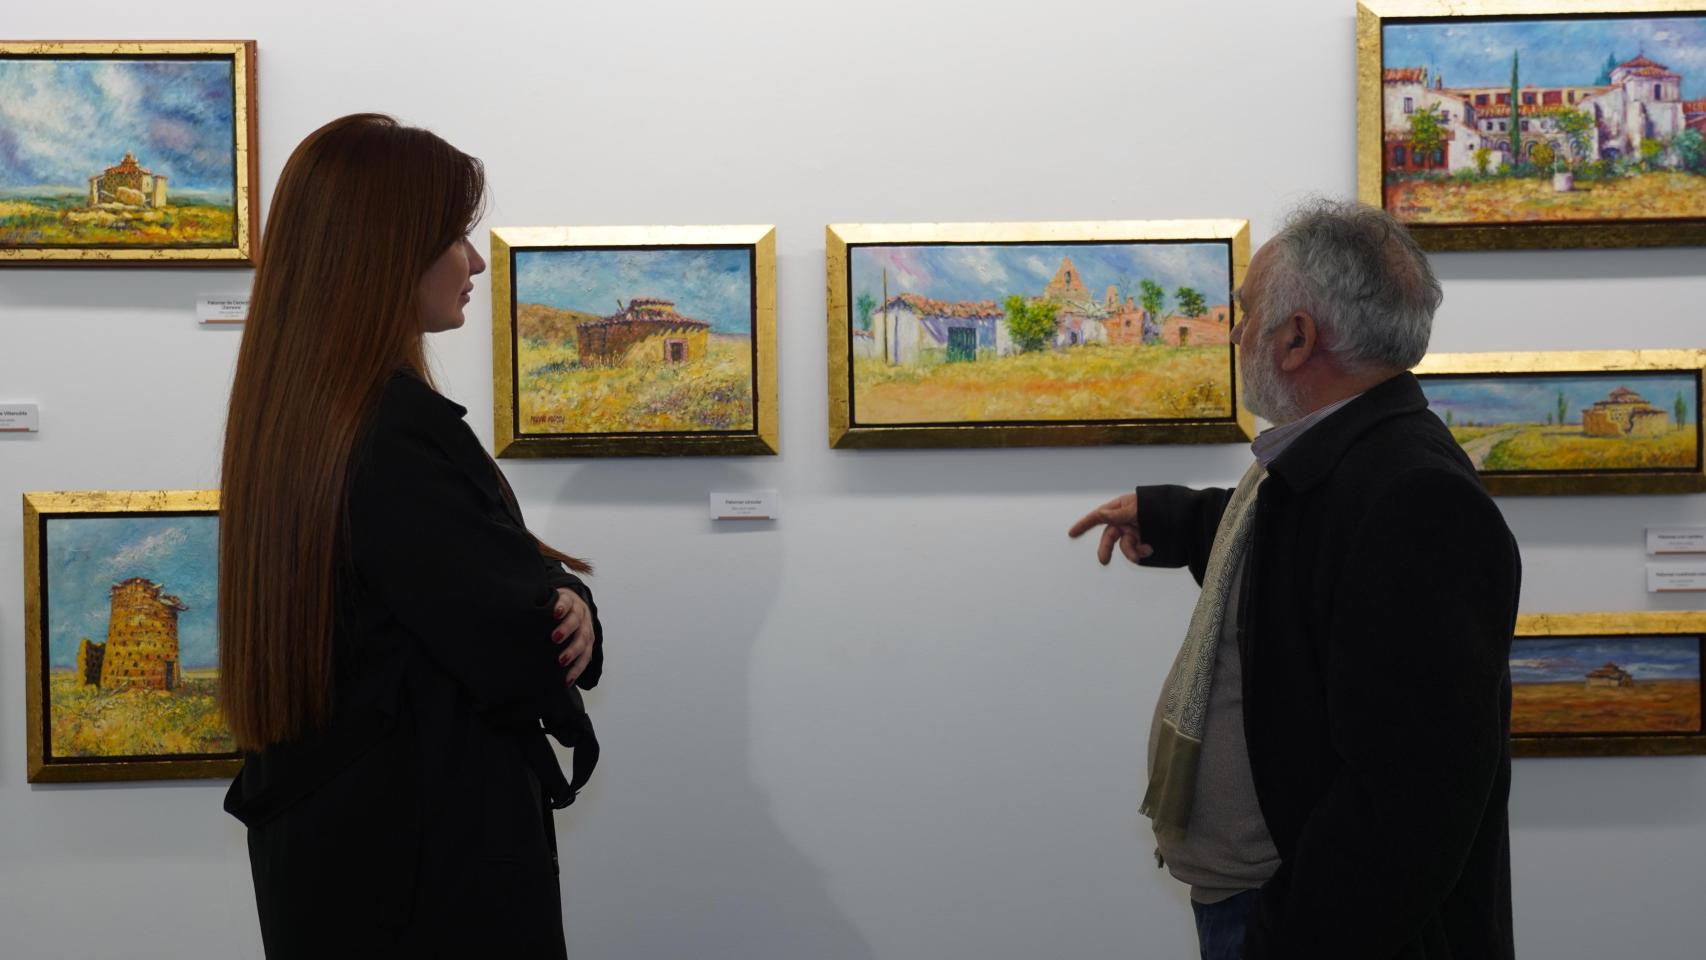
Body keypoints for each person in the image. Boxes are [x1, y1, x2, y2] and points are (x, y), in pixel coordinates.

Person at [1069, 200, 1520, 960]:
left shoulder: (1415, 498)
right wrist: (1174, 519)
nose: (1236, 333)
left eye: (1247, 314)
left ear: (1297, 338)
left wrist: (1287, 936)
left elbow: (1409, 798)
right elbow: (1293, 555)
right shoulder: (1345, 458)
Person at [218, 114, 604, 959]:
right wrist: (560, 606)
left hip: (343, 858)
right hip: (426, 867)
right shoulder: (391, 434)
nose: (473, 262)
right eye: (454, 237)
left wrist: (559, 594)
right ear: (386, 251)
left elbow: (473, 596)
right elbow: (514, 643)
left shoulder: (299, 425)